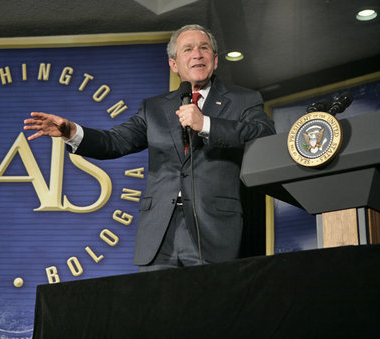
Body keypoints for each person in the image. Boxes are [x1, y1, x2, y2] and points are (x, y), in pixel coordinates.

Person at [23, 24, 275, 272]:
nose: (197, 54)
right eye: (187, 49)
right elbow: (115, 142)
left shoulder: (243, 100)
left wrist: (206, 124)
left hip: (213, 229)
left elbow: (263, 133)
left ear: (215, 60)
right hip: (159, 231)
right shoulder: (153, 109)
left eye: (204, 48)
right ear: (174, 64)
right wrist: (72, 131)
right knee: (156, 309)